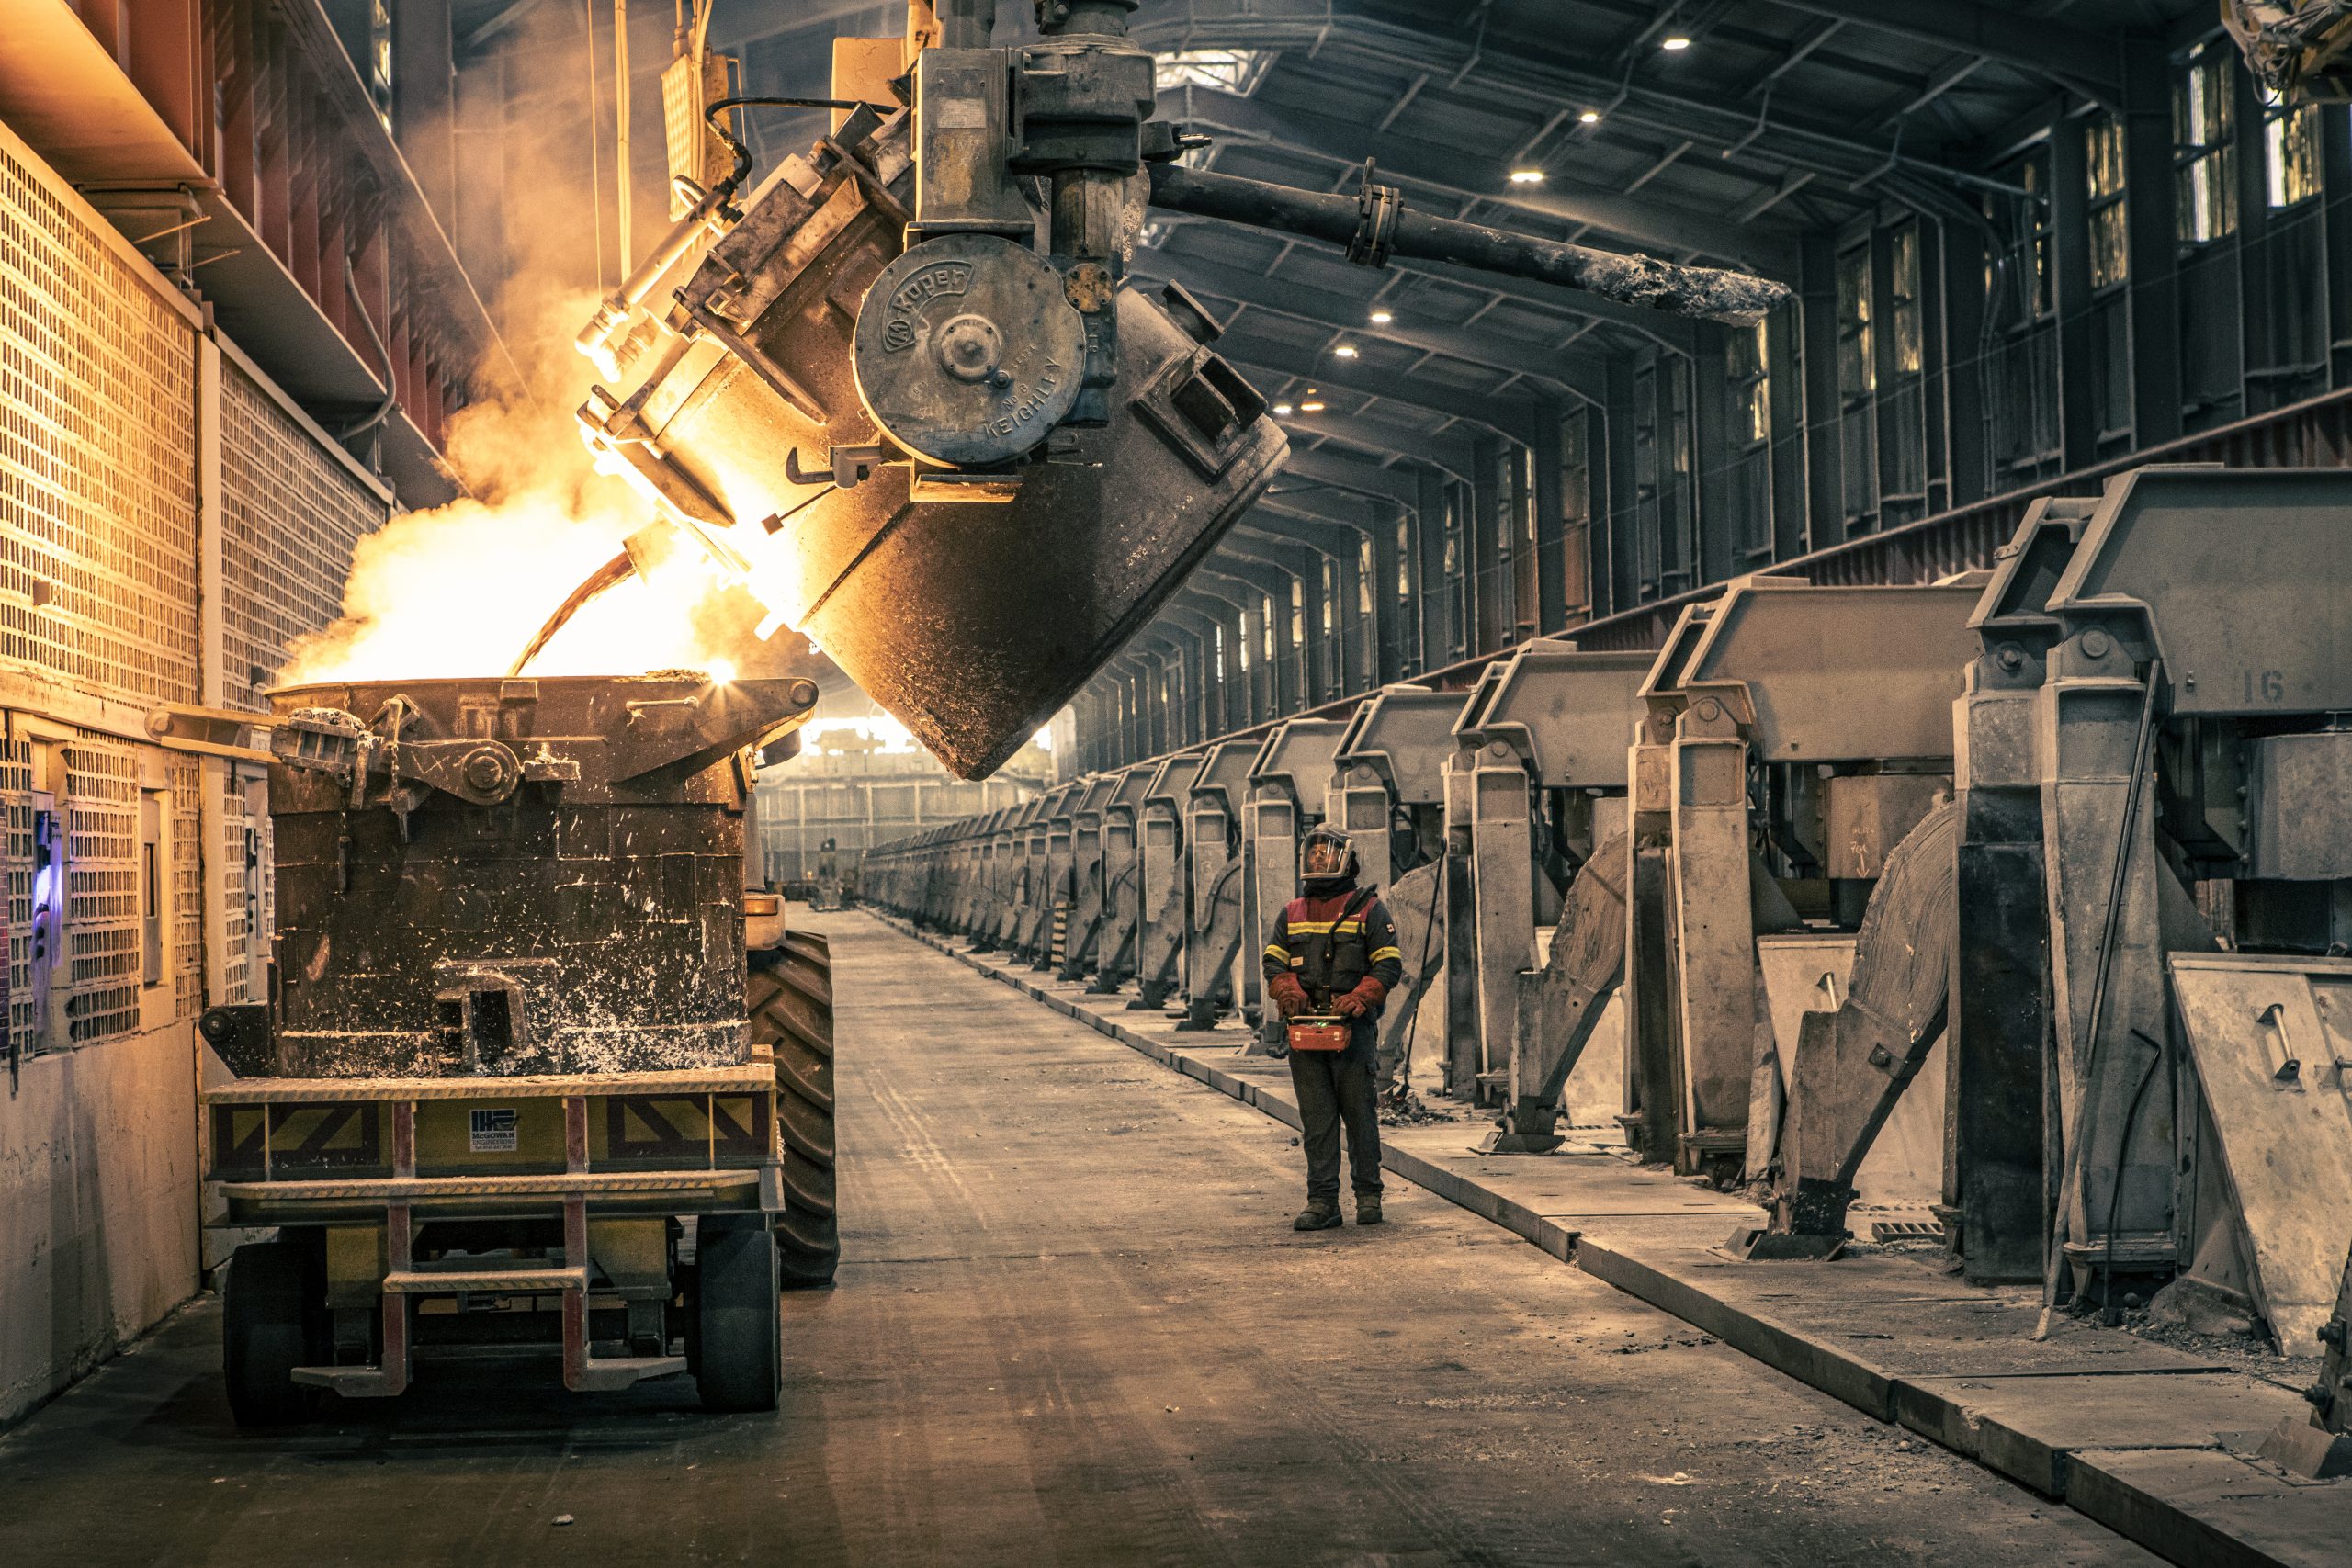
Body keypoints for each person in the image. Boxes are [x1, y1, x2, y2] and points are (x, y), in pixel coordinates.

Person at [1261, 825, 1404, 1231]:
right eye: (1314, 853)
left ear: (1345, 858)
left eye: (1326, 852)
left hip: (1352, 1031)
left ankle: (1368, 1197)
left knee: (1360, 1117)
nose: (1319, 859)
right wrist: (1287, 989)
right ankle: (1323, 1202)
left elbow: (1388, 964)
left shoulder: (1369, 910)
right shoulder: (1291, 913)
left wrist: (1360, 997)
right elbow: (1274, 962)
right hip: (1305, 1033)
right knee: (1318, 1121)